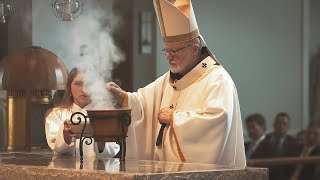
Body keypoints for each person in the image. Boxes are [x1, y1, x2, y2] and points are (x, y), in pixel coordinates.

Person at [106, 0, 245, 168]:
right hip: (165, 170)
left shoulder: (218, 80)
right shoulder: (169, 79)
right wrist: (124, 97)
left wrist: (174, 118)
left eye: (174, 51)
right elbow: (144, 104)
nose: (169, 57)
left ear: (194, 49)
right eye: (167, 50)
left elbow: (217, 121)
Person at [45, 67, 119, 158]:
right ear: (69, 89)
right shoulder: (57, 114)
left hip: (99, 169)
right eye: (78, 84)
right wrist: (66, 138)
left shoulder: (105, 114)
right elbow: (56, 147)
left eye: (89, 84)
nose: (84, 90)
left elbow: (112, 151)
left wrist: (101, 140)